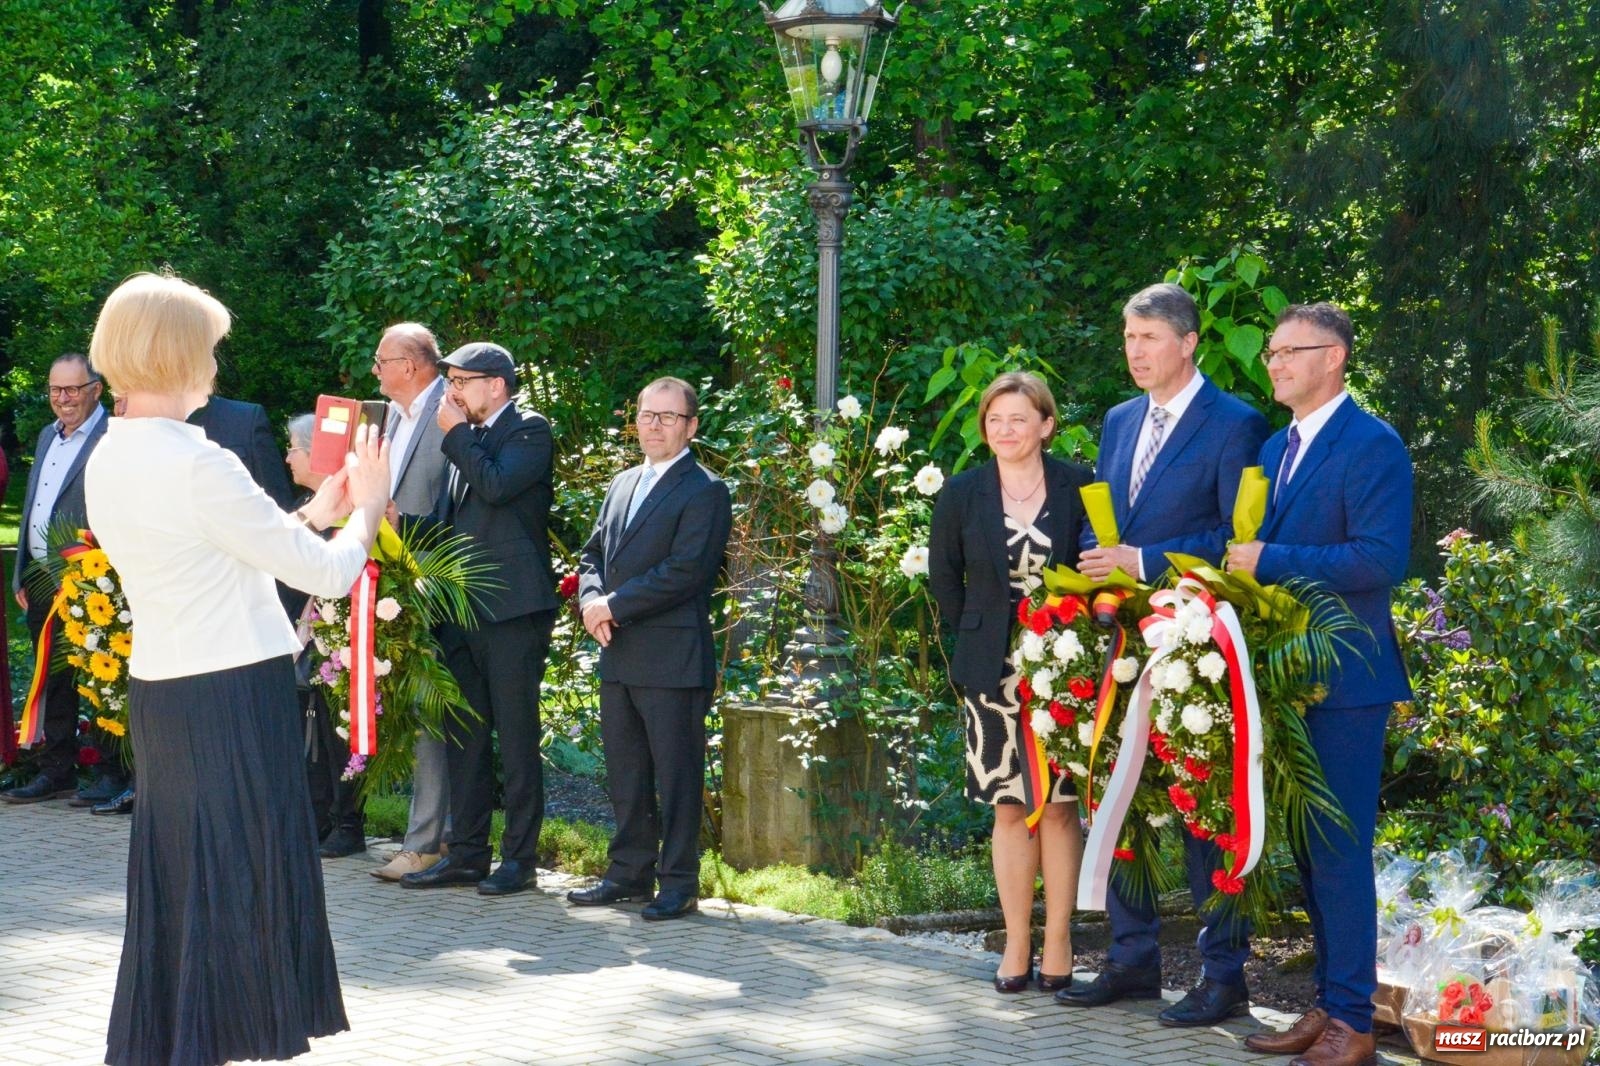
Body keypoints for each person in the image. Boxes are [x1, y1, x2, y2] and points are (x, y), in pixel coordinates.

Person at [84, 272, 390, 1066]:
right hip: (232, 693)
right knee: (237, 874)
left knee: (185, 880)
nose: (216, 364)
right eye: (210, 348)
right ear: (180, 354)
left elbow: (228, 547)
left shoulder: (110, 455)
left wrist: (320, 508)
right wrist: (368, 507)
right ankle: (214, 1041)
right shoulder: (199, 461)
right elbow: (324, 574)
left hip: (165, 691)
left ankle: (180, 1039)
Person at [1061, 283, 1269, 1024]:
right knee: (1124, 799)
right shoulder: (1119, 422)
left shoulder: (1236, 424)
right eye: (1127, 336)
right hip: (1123, 643)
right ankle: (1132, 958)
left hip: (1197, 644)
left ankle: (1223, 974)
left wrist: (1143, 559)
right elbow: (1104, 520)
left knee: (1203, 808)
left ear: (1188, 343)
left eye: (1147, 337)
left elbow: (1233, 538)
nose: (1134, 350)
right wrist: (1097, 561)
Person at [1226, 302, 1412, 1066]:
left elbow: (1377, 559)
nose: (1273, 363)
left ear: (1333, 357)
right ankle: (1330, 1006)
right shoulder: (1277, 445)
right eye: (1270, 353)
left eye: (1288, 351)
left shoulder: (1374, 445)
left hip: (1347, 679)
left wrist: (1267, 560)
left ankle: (1357, 1027)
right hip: (1284, 677)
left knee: (1339, 852)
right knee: (1306, 852)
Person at [929, 371, 1093, 993]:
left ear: (1046, 425)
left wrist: (1071, 645)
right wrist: (977, 631)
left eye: (1019, 419)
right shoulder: (963, 492)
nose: (1006, 430)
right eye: (995, 420)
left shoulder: (1081, 485)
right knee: (1010, 808)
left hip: (1067, 671)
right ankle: (1017, 941)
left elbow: (1098, 565)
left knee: (1058, 808)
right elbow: (944, 579)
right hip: (991, 673)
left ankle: (1060, 940)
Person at [568, 377, 732, 921]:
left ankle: (679, 881)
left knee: (676, 774)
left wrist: (611, 605)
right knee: (627, 773)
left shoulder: (705, 489)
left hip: (672, 658)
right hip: (619, 651)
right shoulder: (623, 483)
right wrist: (593, 600)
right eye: (645, 415)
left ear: (691, 426)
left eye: (667, 417)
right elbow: (592, 554)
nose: (653, 425)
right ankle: (628, 872)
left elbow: (686, 571)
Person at [400, 342, 558, 898]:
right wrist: (398, 525)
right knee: (463, 739)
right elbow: (455, 524)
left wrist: (454, 435)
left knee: (515, 738)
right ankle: (467, 853)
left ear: (496, 385)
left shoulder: (529, 431)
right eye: (450, 381)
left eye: (461, 381)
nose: (451, 392)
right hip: (459, 611)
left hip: (513, 612)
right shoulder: (464, 440)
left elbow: (496, 486)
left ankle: (520, 859)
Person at [3, 353, 124, 807]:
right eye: (56, 389)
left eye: (73, 389)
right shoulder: (46, 436)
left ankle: (112, 772)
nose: (63, 399)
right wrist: (21, 570)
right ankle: (57, 770)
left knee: (100, 678)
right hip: (39, 580)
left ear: (96, 388)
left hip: (93, 581)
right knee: (51, 678)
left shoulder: (114, 438)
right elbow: (35, 503)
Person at [367, 322, 455, 881]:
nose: (374, 371)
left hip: (435, 581)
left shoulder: (448, 409)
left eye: (382, 360)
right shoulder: (384, 419)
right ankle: (430, 837)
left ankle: (427, 842)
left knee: (430, 711)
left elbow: (458, 495)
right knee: (410, 712)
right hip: (388, 578)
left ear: (413, 364)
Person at [284, 414, 368, 858]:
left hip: (346, 638)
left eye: (294, 448)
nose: (287, 457)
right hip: (305, 639)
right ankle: (317, 817)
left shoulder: (353, 511)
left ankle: (349, 821)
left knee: (340, 731)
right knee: (309, 728)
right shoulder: (304, 506)